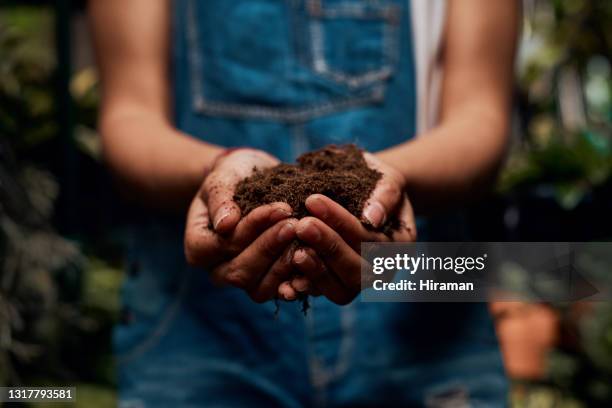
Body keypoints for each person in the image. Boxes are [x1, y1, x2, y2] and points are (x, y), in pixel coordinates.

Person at [89, 0, 519, 406]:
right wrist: (217, 169)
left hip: (423, 309)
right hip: (196, 326)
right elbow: (129, 115)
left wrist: (385, 180)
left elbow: (482, 117)